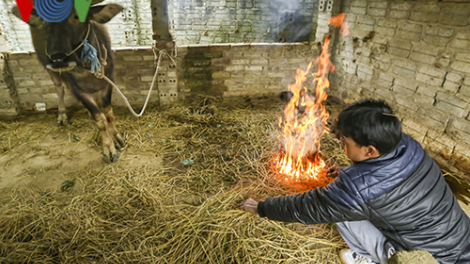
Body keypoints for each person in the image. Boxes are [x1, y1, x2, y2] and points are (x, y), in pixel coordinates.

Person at [240, 99, 470, 264]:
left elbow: (308, 207)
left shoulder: (355, 191)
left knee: (341, 213)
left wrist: (261, 208)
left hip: (428, 258)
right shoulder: (407, 145)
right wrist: (350, 172)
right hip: (460, 237)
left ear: (370, 151)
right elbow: (383, 176)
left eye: (344, 141)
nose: (341, 144)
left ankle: (373, 258)